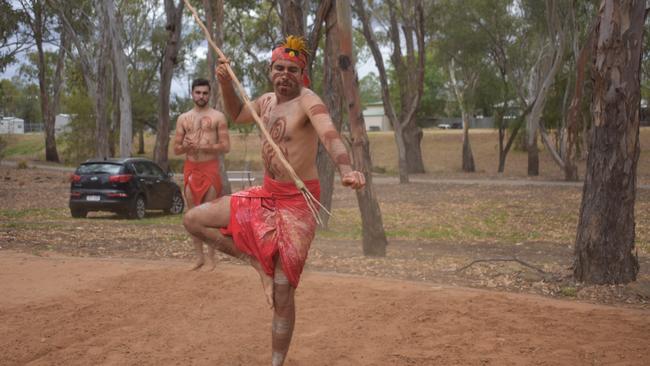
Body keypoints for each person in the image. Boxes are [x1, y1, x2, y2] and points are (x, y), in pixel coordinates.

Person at [182, 36, 365, 366]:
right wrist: (225, 83)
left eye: (292, 69)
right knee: (193, 219)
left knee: (283, 290)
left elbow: (329, 135)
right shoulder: (266, 101)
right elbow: (237, 113)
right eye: (279, 68)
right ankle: (256, 264)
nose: (285, 74)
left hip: (298, 202)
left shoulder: (309, 102)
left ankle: (276, 362)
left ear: (303, 73)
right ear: (270, 71)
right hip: (265, 195)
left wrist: (347, 169)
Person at [173, 78, 230, 271]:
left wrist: (208, 146)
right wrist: (185, 146)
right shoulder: (183, 118)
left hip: (210, 168)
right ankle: (199, 258)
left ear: (210, 94)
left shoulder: (218, 117)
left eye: (205, 93)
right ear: (192, 93)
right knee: (192, 216)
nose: (201, 96)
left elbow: (226, 146)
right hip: (191, 168)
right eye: (198, 93)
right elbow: (176, 149)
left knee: (210, 216)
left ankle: (212, 259)